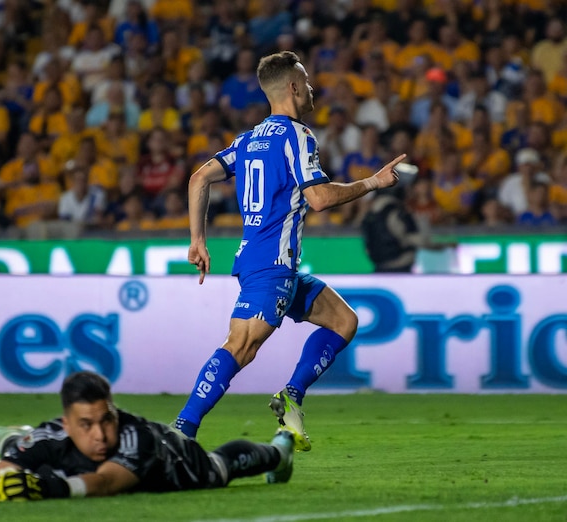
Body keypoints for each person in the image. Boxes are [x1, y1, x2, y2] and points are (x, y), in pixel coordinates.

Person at [172, 51, 405, 448]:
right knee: (240, 347)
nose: (312, 89)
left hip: (274, 265)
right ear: (294, 88)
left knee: (344, 322)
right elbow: (318, 198)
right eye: (308, 82)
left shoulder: (247, 140)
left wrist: (197, 239)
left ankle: (291, 396)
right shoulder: (297, 136)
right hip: (271, 266)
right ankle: (182, 430)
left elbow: (198, 178)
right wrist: (372, 184)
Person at [0, 371, 295, 501]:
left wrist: (47, 488)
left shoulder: (135, 437)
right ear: (67, 423)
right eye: (86, 425)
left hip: (179, 461)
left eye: (107, 420)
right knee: (34, 452)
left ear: (115, 412)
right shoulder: (53, 435)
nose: (101, 435)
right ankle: (14, 441)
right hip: (51, 445)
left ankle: (280, 451)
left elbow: (106, 483)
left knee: (219, 467)